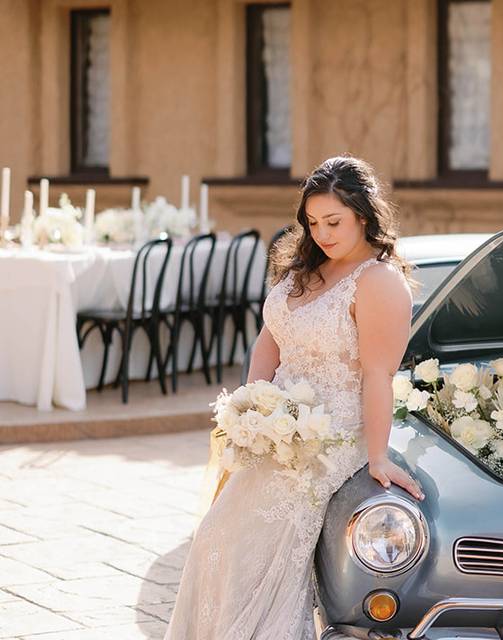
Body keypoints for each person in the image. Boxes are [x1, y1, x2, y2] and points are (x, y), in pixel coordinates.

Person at [165, 155, 425, 639]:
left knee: (254, 546)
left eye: (334, 222)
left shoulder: (378, 281)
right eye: (312, 222)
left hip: (330, 438)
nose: (321, 233)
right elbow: (269, 343)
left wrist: (377, 456)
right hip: (277, 429)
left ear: (364, 216)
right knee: (214, 537)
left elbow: (377, 373)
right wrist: (249, 412)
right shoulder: (304, 268)